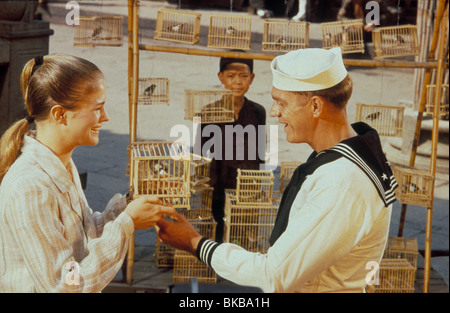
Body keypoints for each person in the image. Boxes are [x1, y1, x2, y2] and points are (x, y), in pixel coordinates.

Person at [157, 47, 398, 293]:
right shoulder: (351, 149)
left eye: (282, 102)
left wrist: (194, 242)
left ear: (315, 106)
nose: (274, 112)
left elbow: (273, 275)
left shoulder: (342, 181)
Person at [0, 54, 174, 292]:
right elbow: (65, 286)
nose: (105, 117)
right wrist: (127, 222)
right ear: (60, 114)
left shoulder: (62, 164)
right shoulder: (30, 187)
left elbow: (84, 237)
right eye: (97, 108)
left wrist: (129, 205)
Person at [195, 55, 266, 243]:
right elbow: (200, 153)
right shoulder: (208, 112)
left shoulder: (258, 112)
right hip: (217, 186)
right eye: (231, 76)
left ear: (252, 78)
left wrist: (256, 185)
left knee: (241, 238)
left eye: (243, 76)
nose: (237, 82)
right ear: (221, 77)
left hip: (246, 188)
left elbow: (260, 153)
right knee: (217, 236)